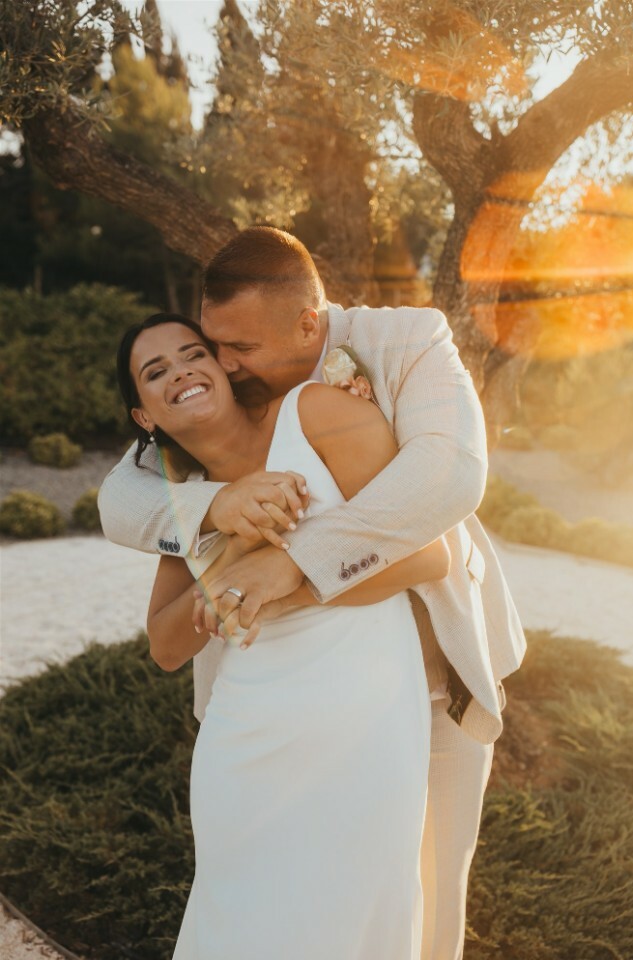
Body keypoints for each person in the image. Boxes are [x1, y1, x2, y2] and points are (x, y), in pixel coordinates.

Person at [100, 227, 526, 960]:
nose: (219, 364)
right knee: (255, 912)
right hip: (259, 719)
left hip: (421, 685)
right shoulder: (190, 460)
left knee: (417, 904)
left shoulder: (396, 351)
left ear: (305, 324)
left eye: (227, 350)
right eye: (210, 345)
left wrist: (288, 569)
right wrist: (218, 513)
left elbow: (448, 493)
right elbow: (123, 510)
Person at [117, 312, 451, 958]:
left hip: (368, 718)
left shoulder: (315, 412)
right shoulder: (186, 495)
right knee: (242, 923)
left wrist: (285, 576)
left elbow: (427, 556)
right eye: (156, 372)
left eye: (193, 354)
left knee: (357, 915)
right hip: (247, 736)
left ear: (222, 364)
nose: (181, 372)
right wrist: (231, 547)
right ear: (144, 416)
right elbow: (165, 646)